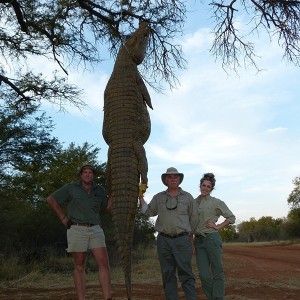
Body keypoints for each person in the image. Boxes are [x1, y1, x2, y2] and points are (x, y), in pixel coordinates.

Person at [46, 163, 113, 300]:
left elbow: (108, 207)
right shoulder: (71, 188)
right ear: (81, 175)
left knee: (104, 263)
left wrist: (114, 194)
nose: (88, 174)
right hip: (76, 229)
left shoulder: (99, 190)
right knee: (79, 264)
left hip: (95, 228)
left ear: (93, 175)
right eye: (85, 172)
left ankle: (108, 298)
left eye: (90, 172)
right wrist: (63, 218)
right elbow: (50, 199)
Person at [138, 167, 198, 300]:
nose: (173, 179)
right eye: (170, 177)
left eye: (175, 177)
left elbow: (194, 219)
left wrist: (190, 237)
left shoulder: (188, 197)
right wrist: (140, 197)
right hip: (163, 240)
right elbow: (148, 212)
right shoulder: (158, 197)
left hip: (183, 239)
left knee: (186, 274)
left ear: (179, 180)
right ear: (165, 180)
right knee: (168, 274)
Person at [193, 173, 236, 300]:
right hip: (198, 241)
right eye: (203, 185)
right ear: (200, 186)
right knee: (204, 275)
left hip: (212, 239)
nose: (205, 188)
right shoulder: (193, 203)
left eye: (208, 186)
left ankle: (218, 298)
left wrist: (217, 226)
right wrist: (191, 243)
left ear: (212, 189)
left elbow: (231, 218)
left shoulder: (216, 202)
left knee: (217, 271)